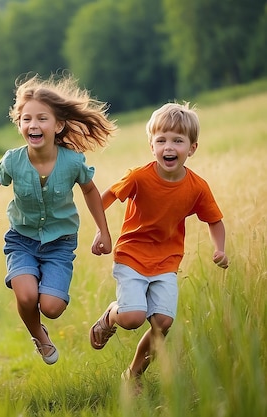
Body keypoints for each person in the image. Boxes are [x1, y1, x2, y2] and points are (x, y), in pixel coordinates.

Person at [0, 74, 116, 365]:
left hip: (59, 244)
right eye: (26, 119)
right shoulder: (12, 160)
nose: (33, 125)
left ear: (58, 125)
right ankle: (38, 335)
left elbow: (90, 191)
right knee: (26, 296)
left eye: (42, 118)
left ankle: (45, 319)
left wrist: (103, 231)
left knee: (51, 307)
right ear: (20, 125)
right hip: (21, 240)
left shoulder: (72, 161)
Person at [88, 102, 228, 388]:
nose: (169, 146)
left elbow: (215, 220)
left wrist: (220, 248)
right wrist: (102, 231)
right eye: (161, 140)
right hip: (131, 255)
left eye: (178, 140)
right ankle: (111, 315)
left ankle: (134, 375)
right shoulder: (140, 176)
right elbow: (108, 196)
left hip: (167, 261)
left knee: (163, 322)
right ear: (152, 146)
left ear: (192, 148)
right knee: (132, 318)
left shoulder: (197, 187)